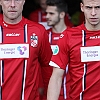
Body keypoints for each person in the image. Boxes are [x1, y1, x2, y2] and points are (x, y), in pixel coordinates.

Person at [47, 0, 100, 99]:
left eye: (98, 7)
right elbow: (56, 77)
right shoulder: (69, 36)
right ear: (82, 7)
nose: (93, 13)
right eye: (89, 7)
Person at [0, 0, 52, 100]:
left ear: (24, 1)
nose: (12, 5)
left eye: (17, 0)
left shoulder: (38, 31)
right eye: (7, 0)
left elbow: (47, 67)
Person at [41, 0, 72, 99]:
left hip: (72, 93)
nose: (47, 16)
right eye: (46, 13)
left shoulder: (75, 36)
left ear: (62, 14)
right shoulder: (43, 36)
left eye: (51, 13)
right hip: (48, 94)